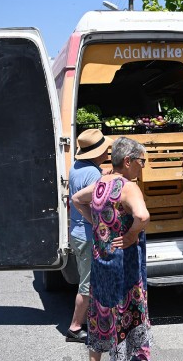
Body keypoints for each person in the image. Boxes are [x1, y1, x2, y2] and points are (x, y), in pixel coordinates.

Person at [71, 137, 153, 361]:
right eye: (141, 161)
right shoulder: (129, 188)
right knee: (127, 315)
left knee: (101, 315)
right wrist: (131, 234)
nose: (142, 166)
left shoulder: (101, 183)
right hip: (125, 266)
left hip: (102, 262)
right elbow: (142, 216)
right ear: (127, 161)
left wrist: (96, 225)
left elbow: (77, 199)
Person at [66, 129, 114, 343]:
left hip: (76, 233)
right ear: (96, 153)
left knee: (88, 281)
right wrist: (96, 223)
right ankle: (75, 328)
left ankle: (87, 322)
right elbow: (94, 202)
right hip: (87, 235)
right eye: (105, 149)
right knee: (87, 285)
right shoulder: (93, 174)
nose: (108, 152)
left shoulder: (77, 167)